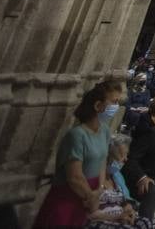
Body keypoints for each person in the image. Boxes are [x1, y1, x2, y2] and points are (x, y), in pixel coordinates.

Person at [34, 85, 113, 229]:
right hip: (69, 196)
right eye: (112, 102)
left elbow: (102, 159)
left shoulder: (105, 130)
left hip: (90, 197)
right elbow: (74, 177)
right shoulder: (76, 135)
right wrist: (90, 197)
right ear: (98, 105)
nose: (115, 106)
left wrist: (99, 190)